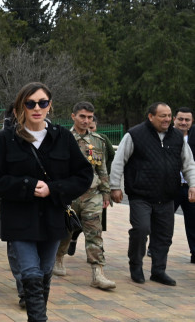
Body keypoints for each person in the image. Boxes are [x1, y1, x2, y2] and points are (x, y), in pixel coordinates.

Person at [0, 82, 92, 322]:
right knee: (31, 277)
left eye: (42, 103)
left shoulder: (61, 138)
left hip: (52, 220)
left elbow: (84, 175)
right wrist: (27, 186)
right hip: (20, 220)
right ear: (21, 106)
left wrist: (53, 189)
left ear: (50, 106)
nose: (36, 108)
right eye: (30, 103)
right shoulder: (6, 138)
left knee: (44, 278)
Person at [109, 103, 195, 285]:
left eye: (169, 116)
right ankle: (136, 265)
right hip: (141, 195)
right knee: (141, 230)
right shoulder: (135, 134)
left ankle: (158, 271)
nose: (167, 119)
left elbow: (188, 164)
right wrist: (115, 186)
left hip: (167, 196)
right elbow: (119, 161)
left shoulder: (177, 137)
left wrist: (193, 185)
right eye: (162, 116)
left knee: (164, 236)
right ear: (150, 116)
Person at [54, 102, 115, 290]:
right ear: (73, 116)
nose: (86, 121)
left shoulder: (98, 140)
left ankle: (98, 272)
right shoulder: (62, 138)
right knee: (66, 230)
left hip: (92, 194)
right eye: (82, 116)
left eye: (89, 117)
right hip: (69, 194)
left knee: (94, 232)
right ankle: (58, 257)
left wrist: (106, 192)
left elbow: (102, 168)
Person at [172, 107, 195, 263]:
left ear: (192, 122)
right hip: (171, 187)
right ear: (174, 119)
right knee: (163, 220)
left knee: (193, 222)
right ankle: (155, 248)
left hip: (191, 187)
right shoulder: (166, 136)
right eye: (180, 119)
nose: (183, 122)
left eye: (187, 120)